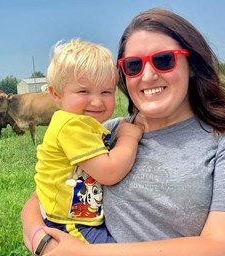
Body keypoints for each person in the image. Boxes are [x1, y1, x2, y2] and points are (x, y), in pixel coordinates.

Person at [21, 8, 225, 256]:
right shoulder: (109, 131)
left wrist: (84, 254)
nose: (147, 76)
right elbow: (41, 195)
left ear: (191, 65)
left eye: (163, 60)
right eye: (134, 65)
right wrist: (41, 242)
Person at [27, 38, 143, 253]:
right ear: (56, 94)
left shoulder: (83, 124)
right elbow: (110, 172)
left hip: (74, 215)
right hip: (70, 222)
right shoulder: (72, 125)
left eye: (106, 92)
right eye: (83, 92)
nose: (97, 102)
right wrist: (128, 138)